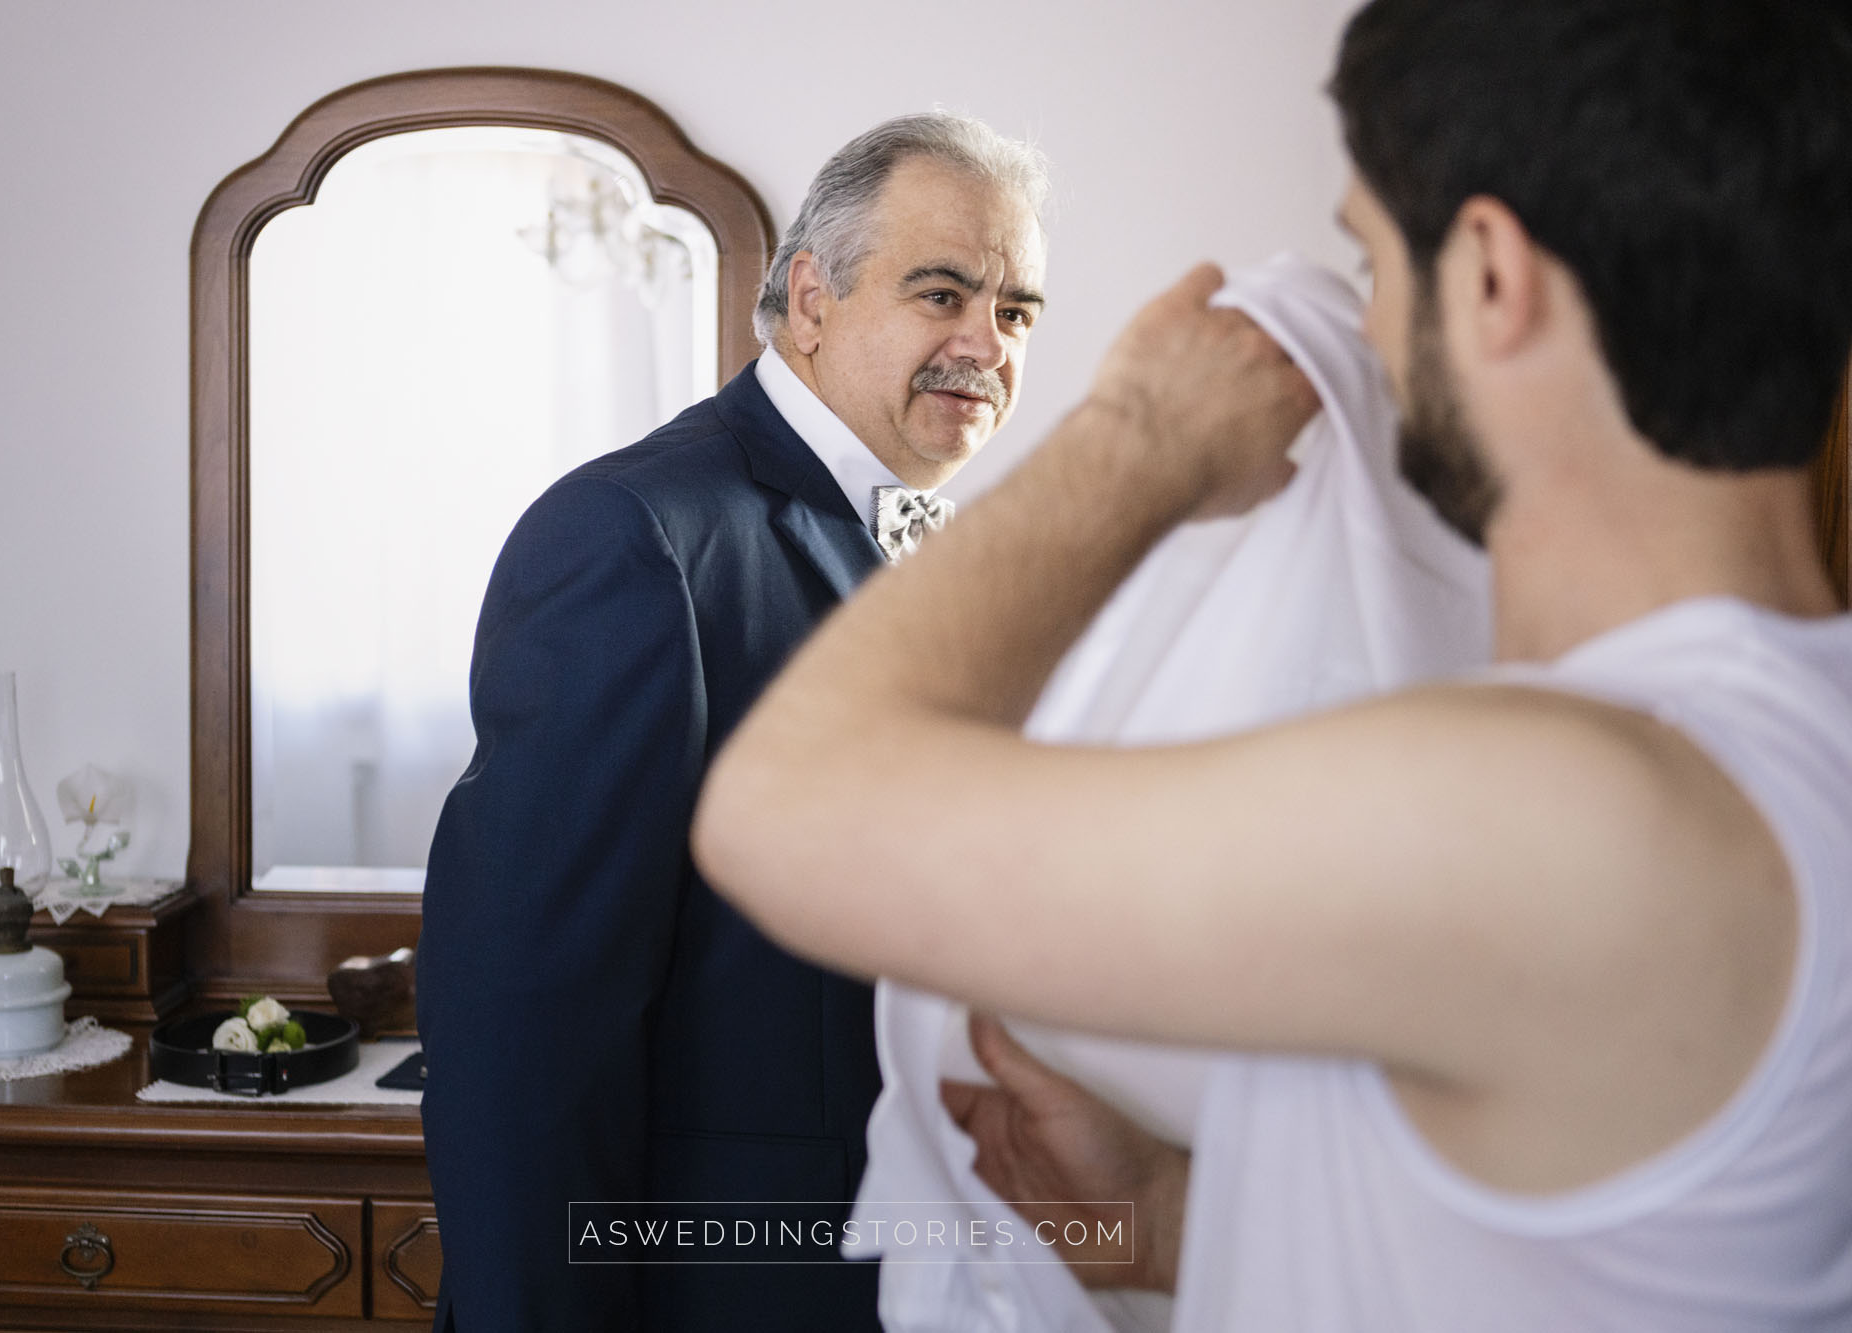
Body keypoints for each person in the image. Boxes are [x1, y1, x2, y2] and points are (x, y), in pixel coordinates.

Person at [693, 2, 1852, 1328]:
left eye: (1370, 265)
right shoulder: (1780, 746)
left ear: (1488, 277)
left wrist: (1136, 439)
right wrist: (1165, 1214)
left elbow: (791, 805)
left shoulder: (1581, 805)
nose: (1364, 328)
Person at [417, 112, 1049, 1332]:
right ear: (809, 300)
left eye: (1016, 311)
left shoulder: (961, 553)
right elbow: (524, 1046)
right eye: (942, 292)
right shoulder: (632, 539)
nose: (986, 342)